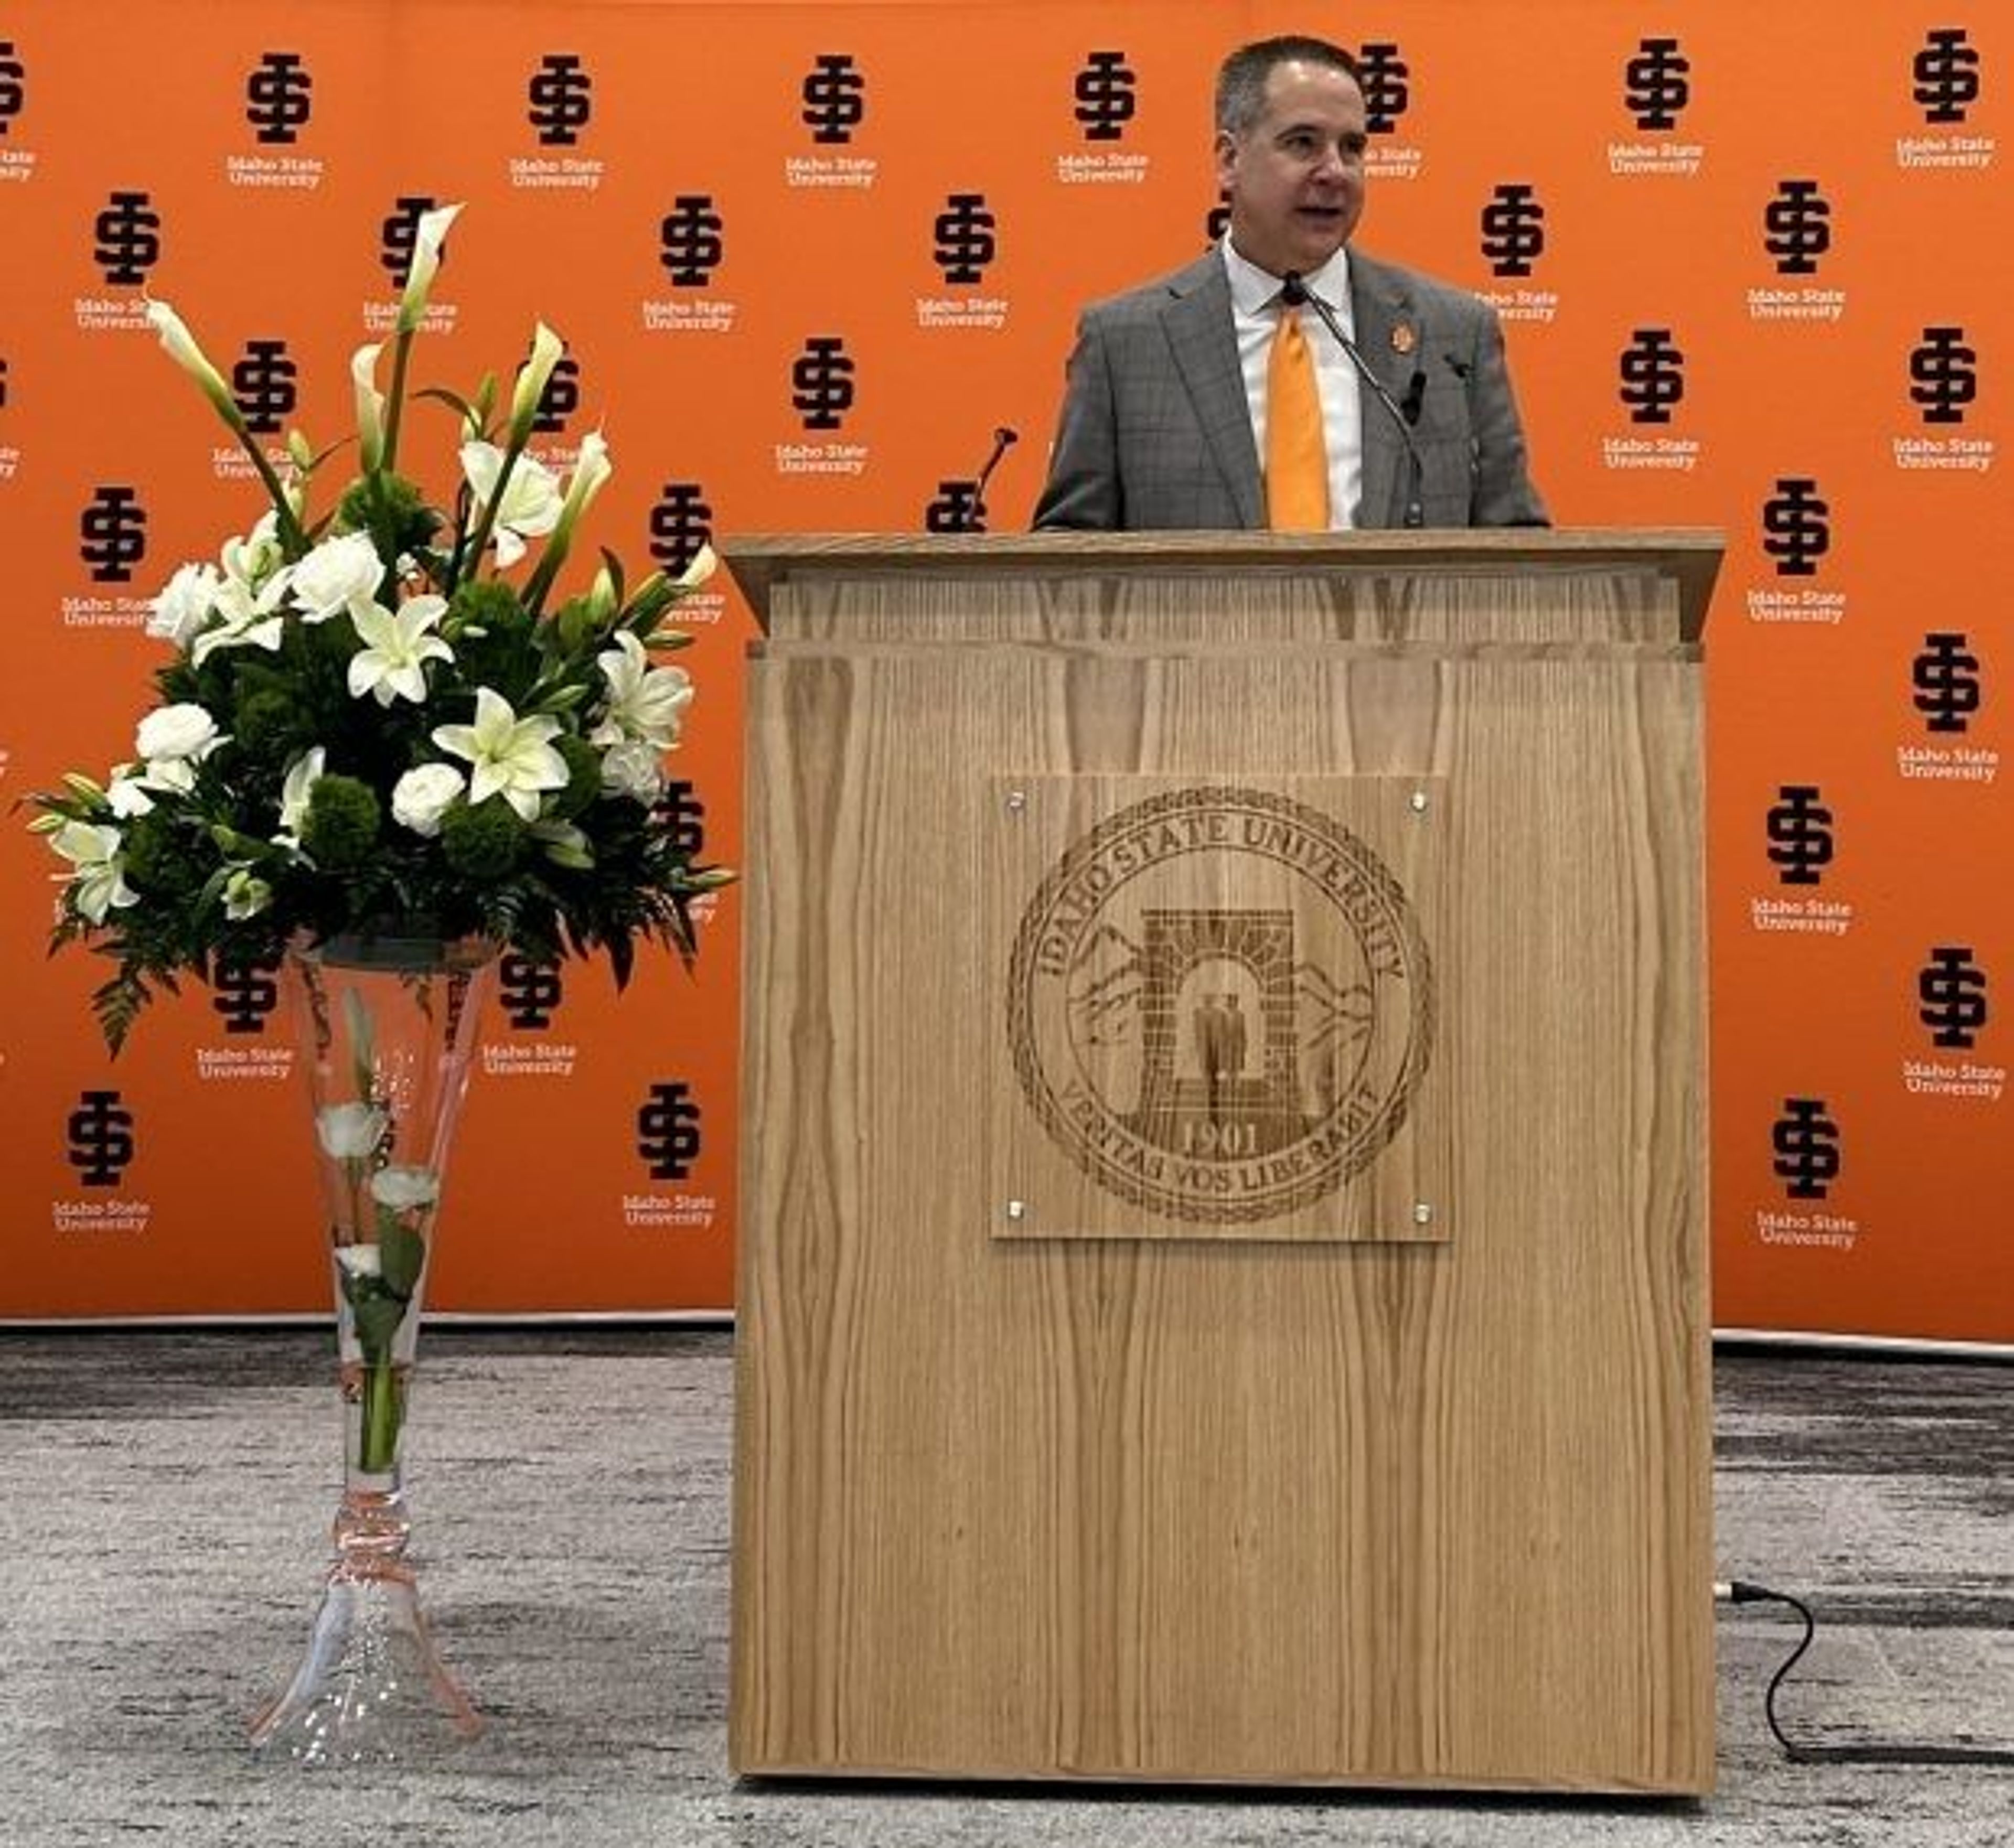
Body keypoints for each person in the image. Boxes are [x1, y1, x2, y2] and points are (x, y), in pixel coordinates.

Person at [1032, 35, 1548, 532]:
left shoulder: (1454, 333)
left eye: (1352, 148)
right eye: (1303, 143)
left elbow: (1516, 542)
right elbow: (1071, 555)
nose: (1335, 171)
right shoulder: (1124, 343)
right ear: (1229, 160)